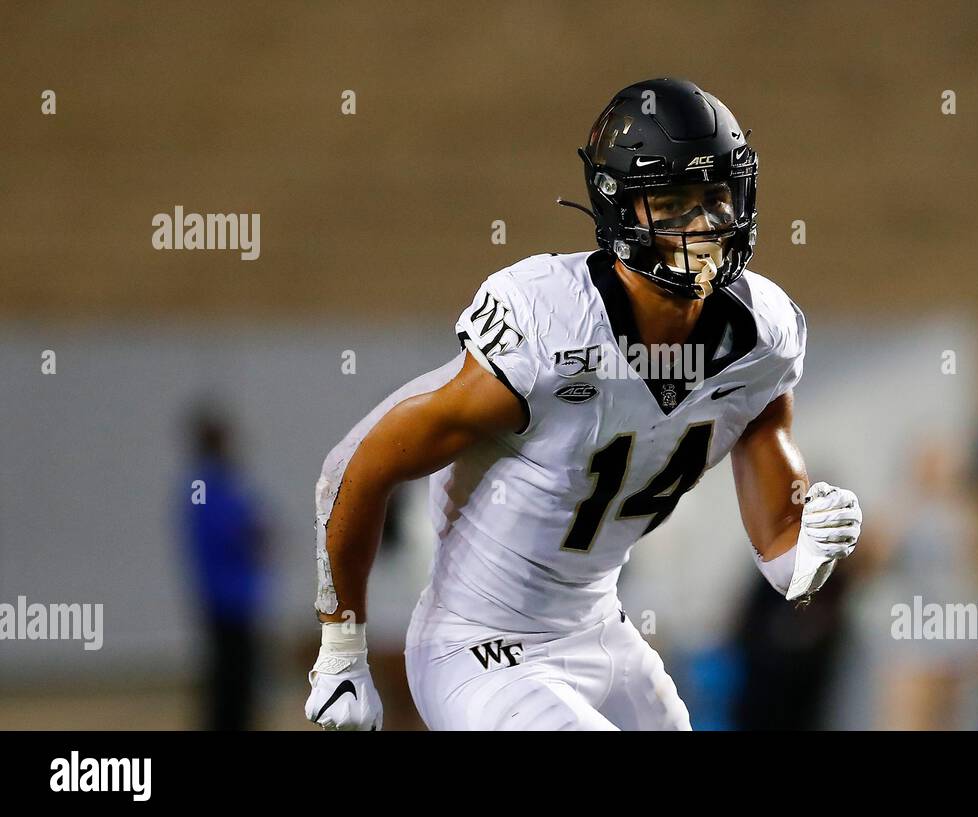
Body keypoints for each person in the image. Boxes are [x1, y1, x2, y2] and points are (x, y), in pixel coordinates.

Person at [303, 78, 862, 731]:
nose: (706, 222)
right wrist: (341, 652)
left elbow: (781, 545)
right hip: (480, 645)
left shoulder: (760, 337)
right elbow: (357, 464)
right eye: (676, 200)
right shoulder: (549, 328)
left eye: (716, 196)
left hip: (601, 630)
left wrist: (811, 545)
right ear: (620, 207)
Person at [179, 410, 268, 731]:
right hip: (227, 597)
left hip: (231, 594)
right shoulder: (208, 485)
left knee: (235, 679)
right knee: (231, 681)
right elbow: (235, 531)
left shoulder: (215, 484)